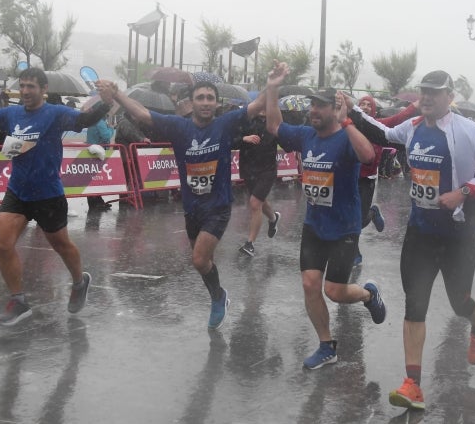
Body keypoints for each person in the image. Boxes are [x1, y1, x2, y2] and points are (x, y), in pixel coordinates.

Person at [346, 70, 475, 410]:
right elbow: (385, 134)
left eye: (435, 93)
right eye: (424, 92)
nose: (428, 98)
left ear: (450, 97)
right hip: (420, 229)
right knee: (414, 303)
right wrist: (351, 111)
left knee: (458, 301)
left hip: (459, 232)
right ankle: (412, 385)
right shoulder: (414, 126)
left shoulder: (470, 131)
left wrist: (463, 192)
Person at [0, 67, 116, 326]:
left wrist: (106, 102)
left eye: (31, 86)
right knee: (3, 243)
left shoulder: (55, 114)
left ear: (43, 90)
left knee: (61, 245)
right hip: (18, 191)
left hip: (48, 193)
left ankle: (79, 282)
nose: (25, 91)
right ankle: (18, 301)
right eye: (22, 86)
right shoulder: (12, 113)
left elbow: (84, 121)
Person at [101, 72, 273, 330]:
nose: (205, 102)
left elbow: (258, 105)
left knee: (199, 260)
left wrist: (272, 84)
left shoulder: (225, 124)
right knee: (202, 260)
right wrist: (116, 94)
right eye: (200, 98)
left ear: (216, 103)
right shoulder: (179, 127)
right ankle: (218, 294)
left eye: (210, 98)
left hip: (218, 206)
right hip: (192, 207)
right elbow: (142, 115)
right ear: (191, 102)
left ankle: (217, 298)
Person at [264, 63, 386, 370]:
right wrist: (273, 88)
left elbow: (368, 155)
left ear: (336, 109)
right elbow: (274, 127)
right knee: (309, 284)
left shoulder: (346, 136)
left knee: (334, 291)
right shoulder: (306, 135)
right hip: (314, 225)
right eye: (312, 105)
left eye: (320, 105)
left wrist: (348, 122)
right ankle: (326, 345)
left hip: (344, 227)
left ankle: (368, 295)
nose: (313, 110)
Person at [353, 94, 418, 265]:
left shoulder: (379, 124)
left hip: (367, 177)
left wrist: (415, 106)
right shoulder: (350, 124)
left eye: (369, 105)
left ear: (373, 109)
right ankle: (354, 252)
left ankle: (372, 212)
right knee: (348, 217)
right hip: (350, 176)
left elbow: (399, 118)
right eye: (362, 104)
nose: (365, 107)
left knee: (358, 220)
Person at [236, 112, 281, 257]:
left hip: (267, 170)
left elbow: (287, 140)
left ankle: (250, 244)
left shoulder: (274, 123)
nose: (263, 109)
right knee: (260, 200)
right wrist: (244, 138)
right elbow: (230, 139)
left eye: (266, 106)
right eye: (261, 105)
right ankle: (273, 218)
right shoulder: (246, 121)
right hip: (249, 169)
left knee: (255, 203)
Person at [85, 116, 115, 211]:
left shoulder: (93, 121)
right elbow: (106, 136)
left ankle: (97, 201)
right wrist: (111, 128)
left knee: (92, 179)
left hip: (91, 152)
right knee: (96, 179)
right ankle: (96, 202)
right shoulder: (99, 122)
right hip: (97, 153)